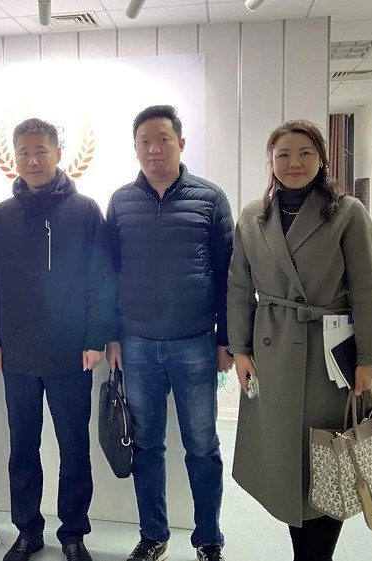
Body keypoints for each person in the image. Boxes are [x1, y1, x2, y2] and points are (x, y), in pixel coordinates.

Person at [226, 119, 372, 561]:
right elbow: (239, 288)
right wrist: (240, 350)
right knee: (285, 459)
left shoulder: (347, 213)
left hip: (330, 358)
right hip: (272, 353)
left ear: (322, 159)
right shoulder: (252, 217)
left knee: (330, 457)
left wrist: (370, 357)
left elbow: (367, 289)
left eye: (305, 153)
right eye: (283, 154)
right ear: (271, 161)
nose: (294, 163)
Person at [0, 118, 115, 561]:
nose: (32, 160)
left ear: (58, 153)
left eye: (41, 151)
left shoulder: (85, 210)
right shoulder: (0, 215)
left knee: (74, 447)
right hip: (16, 352)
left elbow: (101, 277)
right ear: (13, 158)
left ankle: (73, 533)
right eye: (24, 152)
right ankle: (27, 530)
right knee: (23, 448)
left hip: (71, 351)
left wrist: (95, 338)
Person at [105, 105, 233, 561]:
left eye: (163, 139)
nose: (154, 149)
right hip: (136, 344)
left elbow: (229, 275)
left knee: (202, 446)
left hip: (195, 342)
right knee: (146, 446)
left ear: (181, 142)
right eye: (145, 141)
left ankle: (209, 540)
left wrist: (225, 339)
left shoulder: (210, 198)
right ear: (135, 147)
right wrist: (111, 335)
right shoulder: (120, 201)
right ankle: (153, 536)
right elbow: (108, 272)